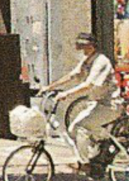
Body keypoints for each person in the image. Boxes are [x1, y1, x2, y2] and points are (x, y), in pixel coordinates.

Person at [46, 31, 116, 168]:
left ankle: (85, 163)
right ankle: (98, 151)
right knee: (73, 129)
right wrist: (50, 87)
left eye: (83, 46)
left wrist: (67, 93)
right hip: (96, 103)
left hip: (109, 105)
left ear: (91, 46)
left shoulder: (101, 61)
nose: (81, 49)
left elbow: (88, 85)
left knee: (81, 128)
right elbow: (72, 75)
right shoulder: (87, 60)